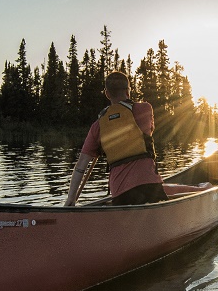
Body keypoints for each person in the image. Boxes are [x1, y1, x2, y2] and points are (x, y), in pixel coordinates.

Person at [65, 72, 168, 206]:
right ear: (128, 91)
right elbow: (149, 133)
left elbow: (80, 167)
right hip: (149, 187)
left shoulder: (98, 126)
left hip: (121, 194)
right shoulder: (145, 109)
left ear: (107, 94)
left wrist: (71, 199)